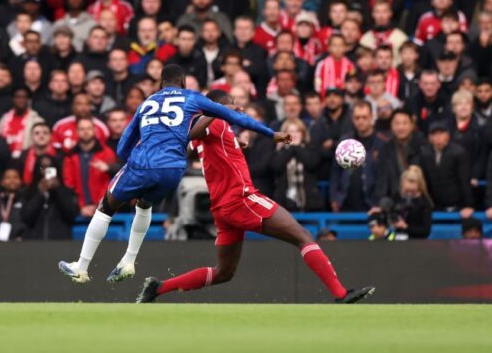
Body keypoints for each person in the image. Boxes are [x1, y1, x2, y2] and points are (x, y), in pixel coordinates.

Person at [58, 64, 291, 284]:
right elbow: (237, 118)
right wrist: (271, 134)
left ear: (161, 83)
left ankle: (81, 267)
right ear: (184, 81)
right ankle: (128, 261)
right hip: (173, 170)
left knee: (106, 206)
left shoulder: (148, 102)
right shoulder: (192, 97)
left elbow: (121, 149)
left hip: (144, 163)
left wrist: (134, 166)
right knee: (144, 205)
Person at [136, 89, 373, 303]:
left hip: (222, 208)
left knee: (224, 272)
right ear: (218, 106)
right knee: (302, 236)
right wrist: (231, 117)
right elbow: (195, 131)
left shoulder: (216, 132)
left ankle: (158, 288)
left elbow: (203, 143)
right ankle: (341, 294)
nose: (235, 107)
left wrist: (236, 142)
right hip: (241, 199)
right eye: (230, 103)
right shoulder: (214, 122)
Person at [329, 100, 384, 213]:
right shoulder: (344, 141)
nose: (361, 121)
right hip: (345, 203)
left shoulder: (382, 143)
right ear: (352, 119)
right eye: (357, 118)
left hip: (372, 203)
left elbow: (384, 177)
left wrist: (379, 202)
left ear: (372, 118)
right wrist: (334, 197)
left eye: (364, 117)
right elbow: (335, 171)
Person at [62, 117, 117, 217]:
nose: (85, 132)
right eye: (82, 129)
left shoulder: (106, 152)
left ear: (94, 130)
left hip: (105, 209)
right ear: (76, 131)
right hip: (80, 211)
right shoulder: (70, 156)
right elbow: (69, 186)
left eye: (88, 128)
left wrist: (100, 205)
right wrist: (80, 207)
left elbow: (112, 182)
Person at [419, 120, 472, 214]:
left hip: (457, 204)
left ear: (447, 135)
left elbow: (464, 180)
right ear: (430, 137)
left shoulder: (458, 152)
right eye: (435, 134)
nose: (438, 137)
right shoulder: (425, 154)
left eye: (441, 133)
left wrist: (468, 205)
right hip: (434, 205)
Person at [0, 86, 45, 159]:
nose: (21, 100)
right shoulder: (4, 119)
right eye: (18, 97)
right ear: (13, 99)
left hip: (26, 159)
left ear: (28, 100)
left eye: (24, 97)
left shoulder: (37, 121)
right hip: (4, 159)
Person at [0, 168, 27, 241]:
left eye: (15, 177)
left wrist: (23, 239)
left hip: (22, 247)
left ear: (20, 181)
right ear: (2, 182)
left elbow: (31, 227)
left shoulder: (27, 203)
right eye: (8, 178)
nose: (12, 180)